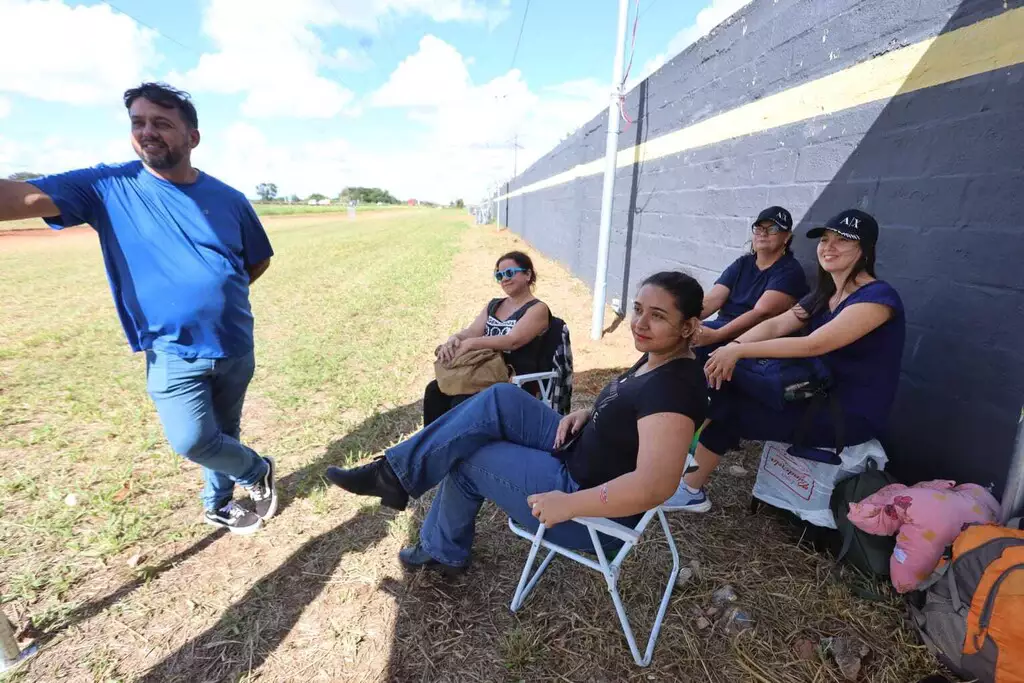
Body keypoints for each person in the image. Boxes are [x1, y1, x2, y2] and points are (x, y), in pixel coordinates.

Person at [0, 83, 277, 534]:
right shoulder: (108, 187)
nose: (147, 131)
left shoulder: (229, 199)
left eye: (161, 123)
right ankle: (255, 469)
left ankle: (219, 502)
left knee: (224, 431)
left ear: (192, 137)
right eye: (138, 122)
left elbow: (257, 260)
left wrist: (219, 295)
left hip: (233, 340)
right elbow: (21, 198)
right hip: (171, 350)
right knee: (192, 439)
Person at [324, 271, 709, 575]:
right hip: (578, 448)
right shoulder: (657, 356)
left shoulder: (672, 391)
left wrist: (569, 504)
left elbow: (653, 486)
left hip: (586, 502)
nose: (640, 322)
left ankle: (437, 544)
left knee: (468, 454)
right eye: (638, 309)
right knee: (500, 397)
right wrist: (590, 413)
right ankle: (394, 475)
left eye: (658, 316)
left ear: (689, 326)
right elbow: (632, 408)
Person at [665, 209, 905, 513]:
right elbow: (778, 324)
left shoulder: (878, 298)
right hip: (809, 391)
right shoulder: (825, 294)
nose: (829, 247)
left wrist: (738, 352)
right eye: (825, 239)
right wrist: (733, 346)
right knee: (721, 383)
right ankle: (680, 477)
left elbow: (813, 344)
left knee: (729, 406)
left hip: (845, 413)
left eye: (843, 240)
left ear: (866, 249)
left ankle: (681, 479)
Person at [423, 250, 550, 426]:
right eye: (499, 275)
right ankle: (430, 441)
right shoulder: (494, 305)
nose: (504, 279)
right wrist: (455, 339)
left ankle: (458, 442)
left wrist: (472, 344)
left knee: (461, 401)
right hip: (484, 372)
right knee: (435, 390)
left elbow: (512, 341)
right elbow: (472, 331)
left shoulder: (538, 309)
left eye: (509, 273)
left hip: (513, 379)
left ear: (527, 275)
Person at [695, 205, 809, 361]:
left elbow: (761, 313)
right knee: (680, 335)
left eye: (772, 229)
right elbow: (713, 299)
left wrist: (716, 335)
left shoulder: (790, 270)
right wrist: (685, 319)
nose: (763, 233)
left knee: (687, 344)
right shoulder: (743, 263)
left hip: (754, 338)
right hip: (723, 327)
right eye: (759, 228)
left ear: (787, 237)